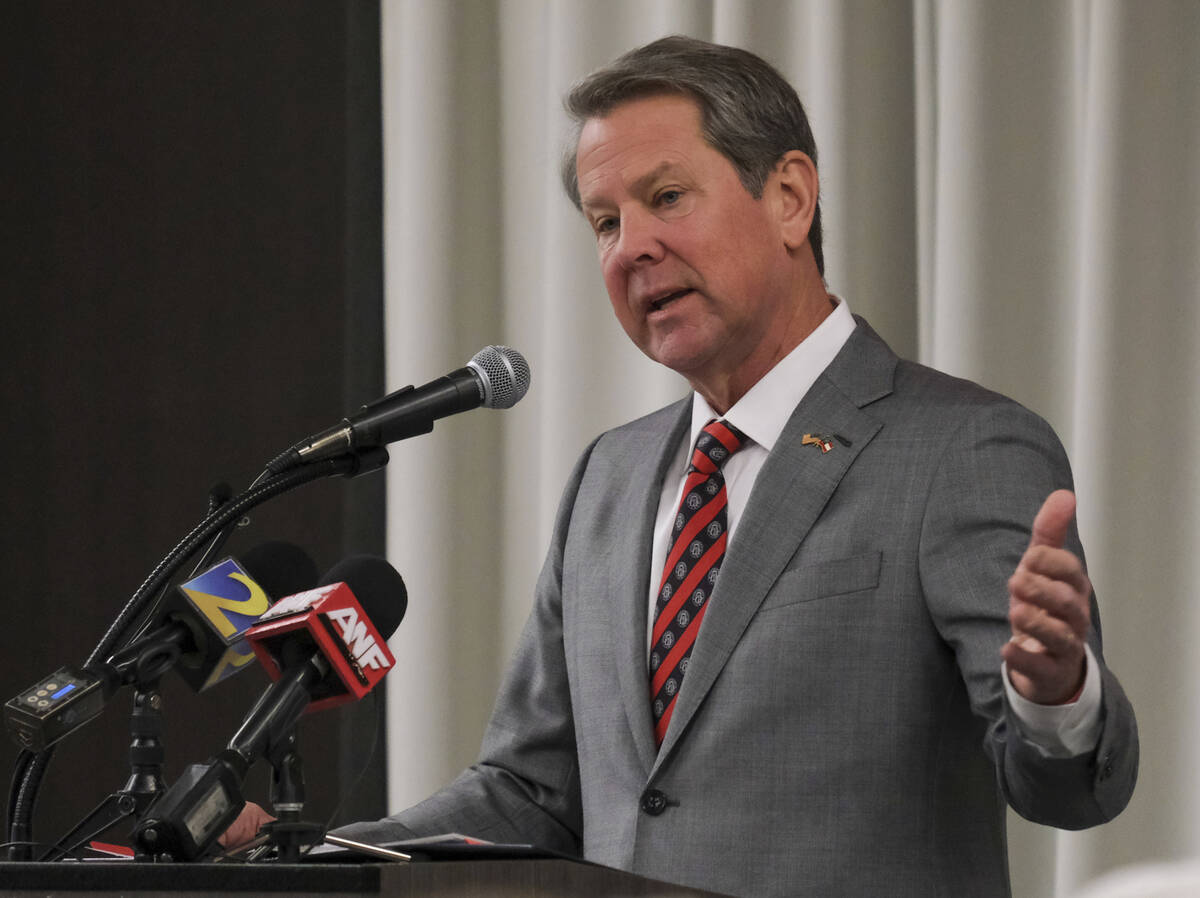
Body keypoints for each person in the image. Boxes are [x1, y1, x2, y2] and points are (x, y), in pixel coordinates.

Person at [231, 36, 1138, 897]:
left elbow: (1068, 791)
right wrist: (308, 863)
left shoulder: (957, 449)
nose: (630, 248)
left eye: (667, 198)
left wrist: (1054, 692)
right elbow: (529, 793)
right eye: (604, 222)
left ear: (790, 197)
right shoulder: (609, 479)